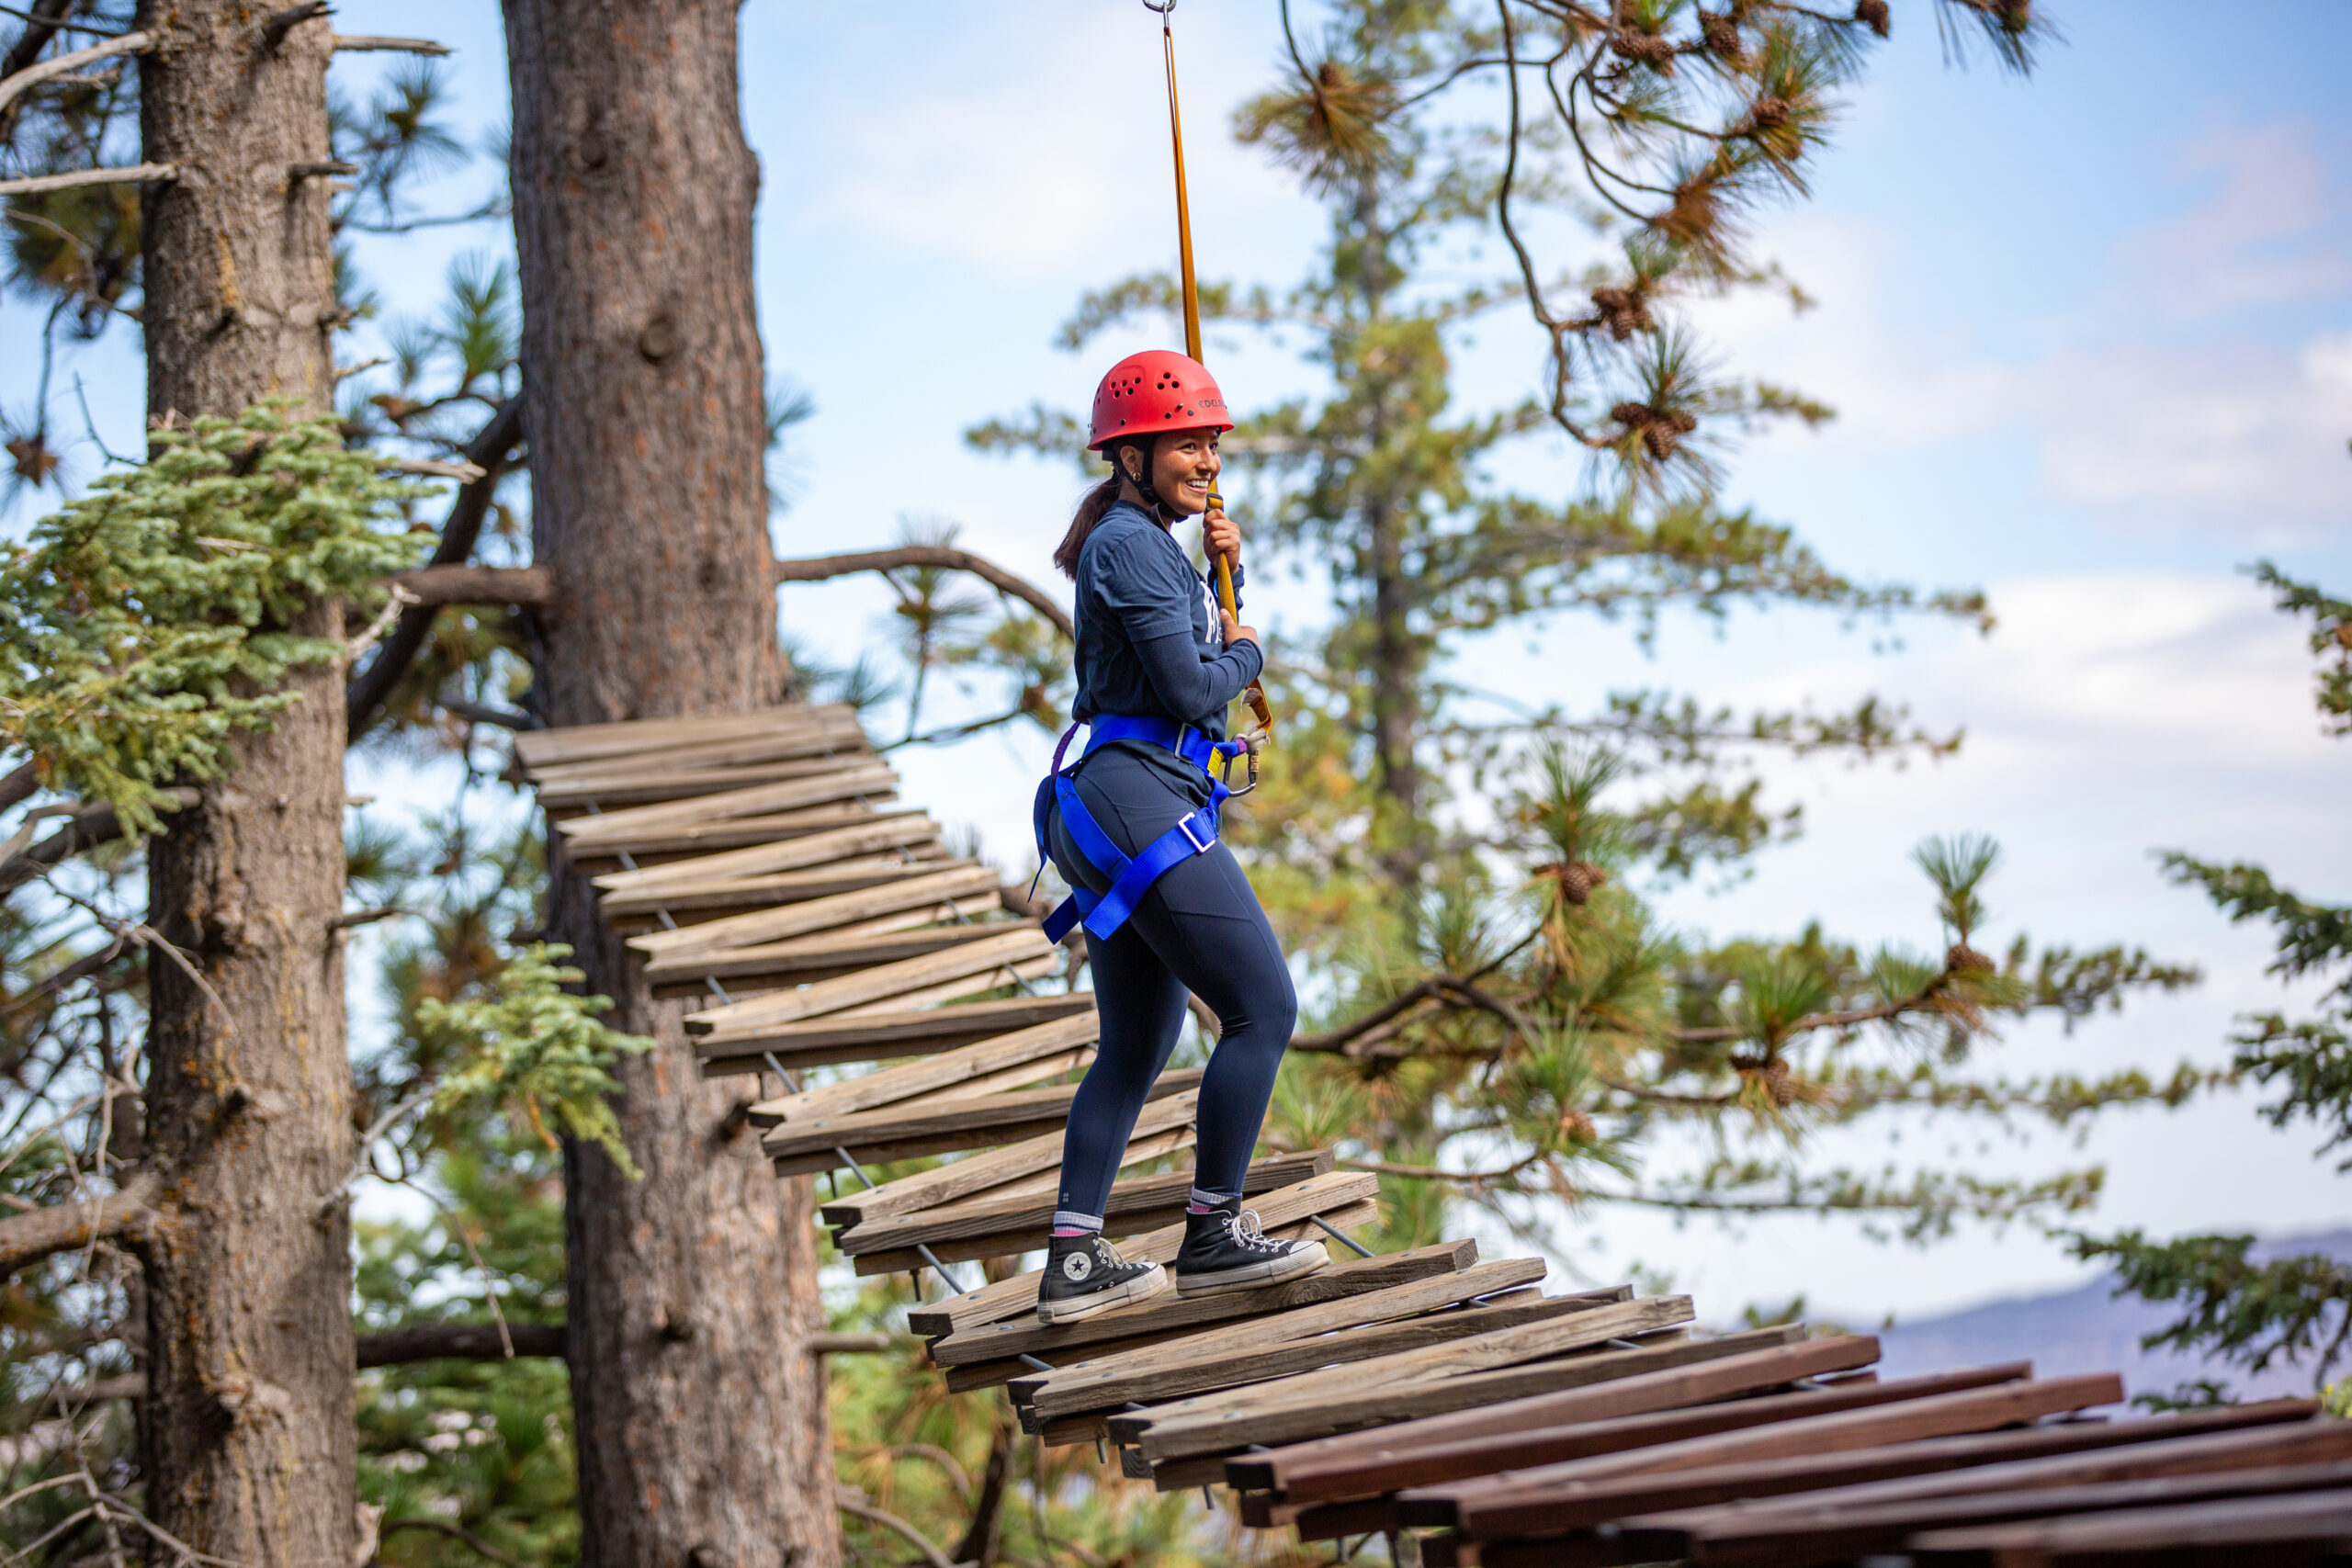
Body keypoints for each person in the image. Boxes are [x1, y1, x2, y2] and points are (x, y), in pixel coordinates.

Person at [1029, 349, 1326, 1326]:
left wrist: (1216, 571)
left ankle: (1073, 1257)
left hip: (1120, 796)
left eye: (1210, 441)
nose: (1205, 458)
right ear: (1133, 452)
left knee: (1143, 1038)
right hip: (1130, 797)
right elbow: (1195, 688)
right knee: (1263, 1008)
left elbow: (1177, 667)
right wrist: (1247, 647)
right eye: (1187, 441)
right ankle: (1211, 1233)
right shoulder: (1127, 542)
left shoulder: (1147, 544)